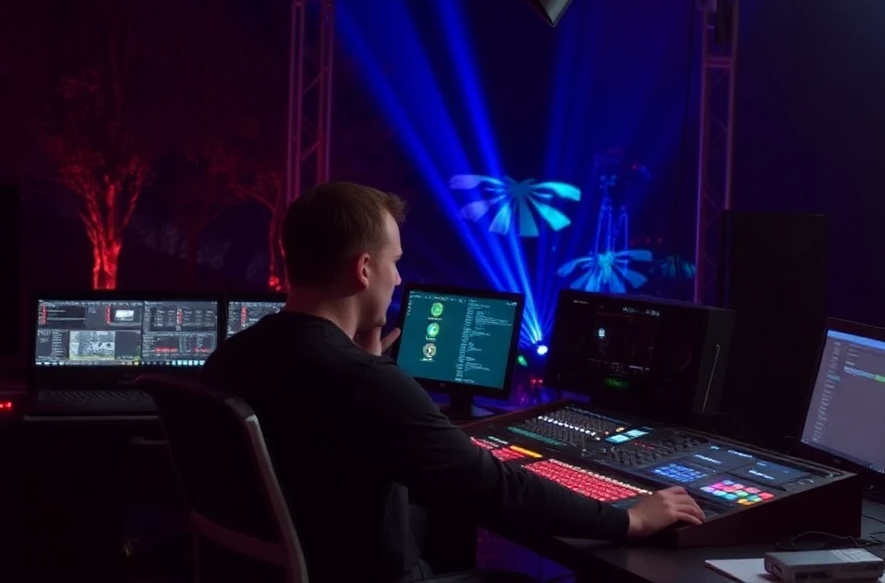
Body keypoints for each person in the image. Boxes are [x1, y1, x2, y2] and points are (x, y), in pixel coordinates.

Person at [202, 182, 704, 582]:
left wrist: (370, 363)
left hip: (289, 566)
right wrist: (629, 519)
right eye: (394, 263)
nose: (398, 279)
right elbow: (494, 484)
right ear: (363, 269)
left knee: (442, 519)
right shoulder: (362, 381)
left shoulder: (234, 356)